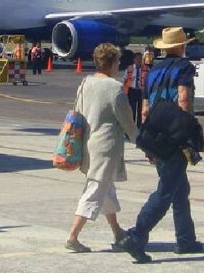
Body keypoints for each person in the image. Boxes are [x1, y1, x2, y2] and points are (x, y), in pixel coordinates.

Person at [118, 27, 201, 263]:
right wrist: (186, 133)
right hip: (175, 136)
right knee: (165, 190)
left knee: (179, 188)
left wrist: (148, 142)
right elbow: (183, 98)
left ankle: (186, 239)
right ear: (181, 46)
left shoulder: (152, 70)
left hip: (155, 135)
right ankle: (137, 235)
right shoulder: (184, 68)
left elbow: (144, 108)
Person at [66, 43, 138, 253]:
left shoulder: (86, 82)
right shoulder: (114, 87)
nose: (118, 64)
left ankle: (117, 232)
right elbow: (127, 121)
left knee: (106, 190)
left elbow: (77, 111)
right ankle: (72, 236)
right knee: (95, 190)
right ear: (112, 63)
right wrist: (139, 140)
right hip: (105, 148)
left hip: (87, 143)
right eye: (117, 61)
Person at [122, 52, 145, 127]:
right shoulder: (130, 68)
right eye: (137, 59)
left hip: (141, 90)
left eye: (140, 59)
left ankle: (139, 126)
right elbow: (125, 79)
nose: (139, 61)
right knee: (132, 109)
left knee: (141, 109)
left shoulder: (145, 69)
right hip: (132, 90)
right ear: (134, 60)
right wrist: (124, 91)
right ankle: (131, 126)